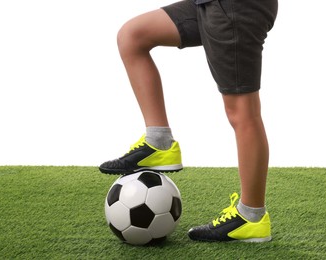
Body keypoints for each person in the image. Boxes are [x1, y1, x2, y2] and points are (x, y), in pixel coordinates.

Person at [100, 0, 278, 242]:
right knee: (132, 36)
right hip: (208, 4)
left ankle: (251, 217)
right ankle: (159, 142)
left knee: (242, 112)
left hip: (235, 7)